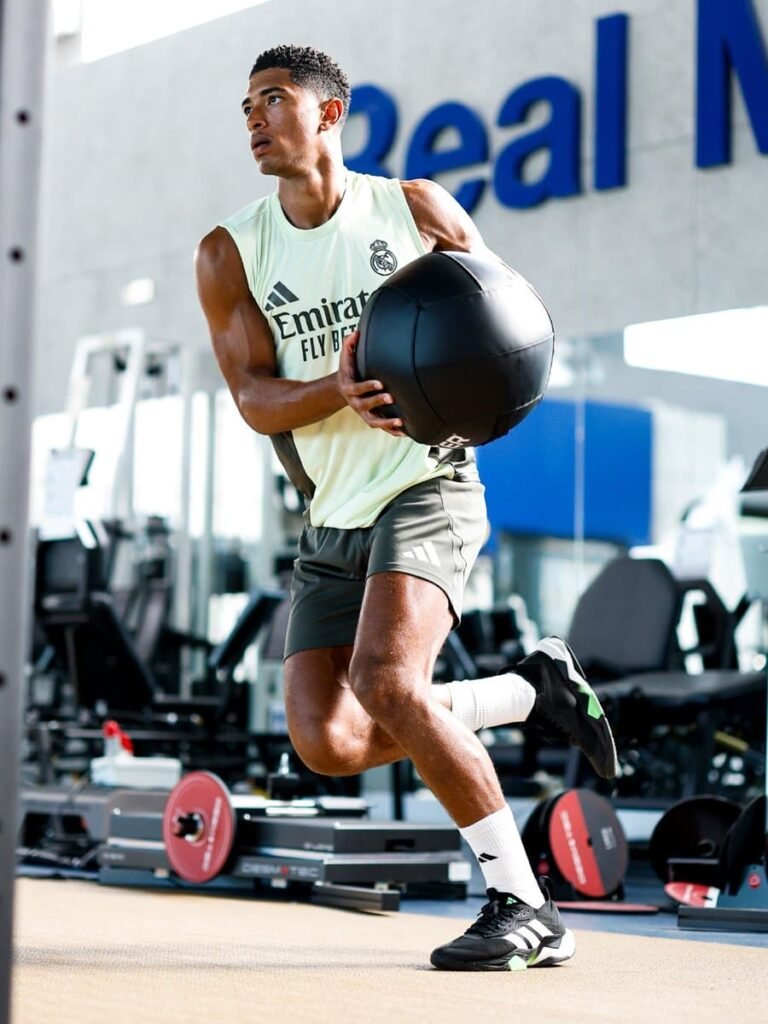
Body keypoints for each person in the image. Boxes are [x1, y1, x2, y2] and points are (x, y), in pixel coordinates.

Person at [195, 43, 619, 971]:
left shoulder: (414, 208)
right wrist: (341, 388)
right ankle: (524, 693)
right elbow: (255, 399)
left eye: (274, 100)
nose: (256, 120)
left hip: (429, 482)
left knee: (389, 684)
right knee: (328, 742)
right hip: (331, 516)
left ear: (330, 113)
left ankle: (523, 904)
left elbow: (511, 326)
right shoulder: (231, 252)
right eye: (246, 108)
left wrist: (468, 393)